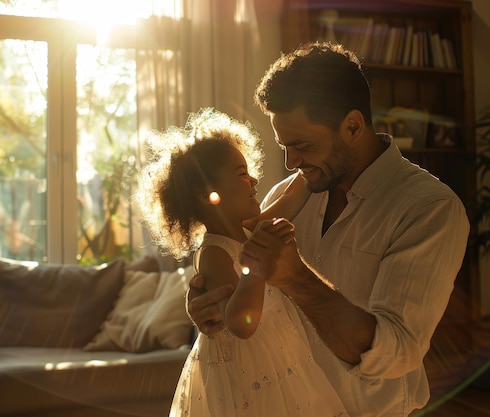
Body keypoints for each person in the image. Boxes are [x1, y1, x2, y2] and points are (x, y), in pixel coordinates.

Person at [186, 42, 470, 417]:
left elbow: (397, 352)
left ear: (352, 126)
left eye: (301, 145)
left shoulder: (429, 209)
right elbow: (238, 272)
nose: (290, 162)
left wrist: (297, 277)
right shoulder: (287, 195)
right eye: (283, 146)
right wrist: (211, 302)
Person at [136, 108, 349, 416]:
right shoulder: (214, 253)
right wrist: (256, 265)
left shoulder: (250, 230)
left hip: (286, 362)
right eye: (240, 174)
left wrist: (317, 163)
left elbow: (293, 196)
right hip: (253, 379)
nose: (253, 179)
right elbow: (240, 323)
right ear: (207, 193)